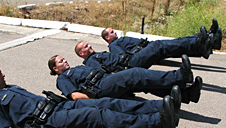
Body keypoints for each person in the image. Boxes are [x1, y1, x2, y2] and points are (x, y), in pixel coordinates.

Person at [0, 64, 181, 128]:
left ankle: (161, 107)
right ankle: (160, 123)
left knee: (106, 103)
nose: (3, 74)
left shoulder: (10, 88)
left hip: (59, 107)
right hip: (51, 121)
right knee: (97, 116)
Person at [48, 54, 201, 104]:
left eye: (64, 59)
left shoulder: (76, 68)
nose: (65, 61)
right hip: (100, 88)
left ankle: (187, 94)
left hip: (106, 80)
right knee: (136, 74)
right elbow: (74, 96)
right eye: (61, 62)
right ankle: (180, 75)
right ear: (55, 69)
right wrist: (97, 99)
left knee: (143, 83)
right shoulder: (62, 79)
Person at [101, 19, 222, 69]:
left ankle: (208, 37)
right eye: (112, 32)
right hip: (147, 51)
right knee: (174, 45)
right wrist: (139, 49)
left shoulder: (117, 41)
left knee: (177, 43)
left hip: (149, 46)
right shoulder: (113, 46)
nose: (115, 32)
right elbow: (124, 59)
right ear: (107, 37)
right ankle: (201, 42)